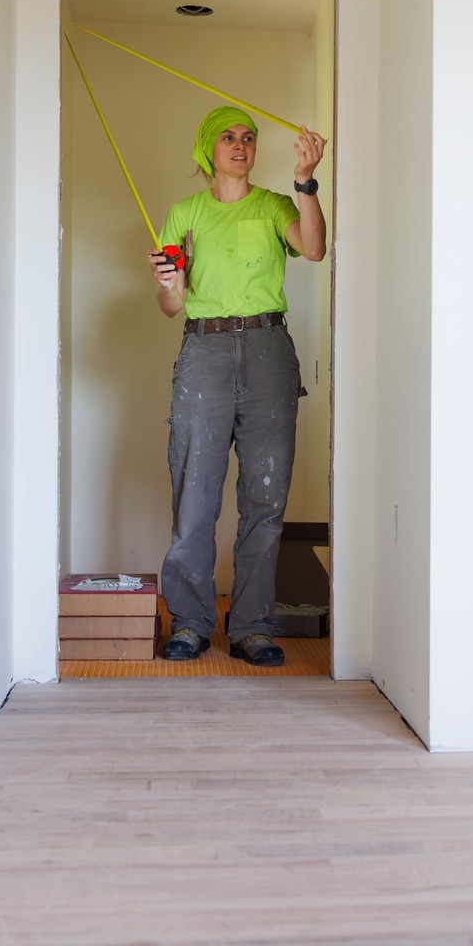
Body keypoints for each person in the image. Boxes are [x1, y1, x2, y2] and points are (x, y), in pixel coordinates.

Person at [147, 105, 327, 665]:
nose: (240, 144)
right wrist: (172, 284)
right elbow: (170, 306)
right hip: (205, 351)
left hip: (269, 351)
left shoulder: (275, 205)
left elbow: (316, 248)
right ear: (209, 148)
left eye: (248, 137)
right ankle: (192, 622)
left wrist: (306, 184)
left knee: (266, 496)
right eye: (228, 136)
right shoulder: (185, 214)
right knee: (195, 494)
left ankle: (252, 627)